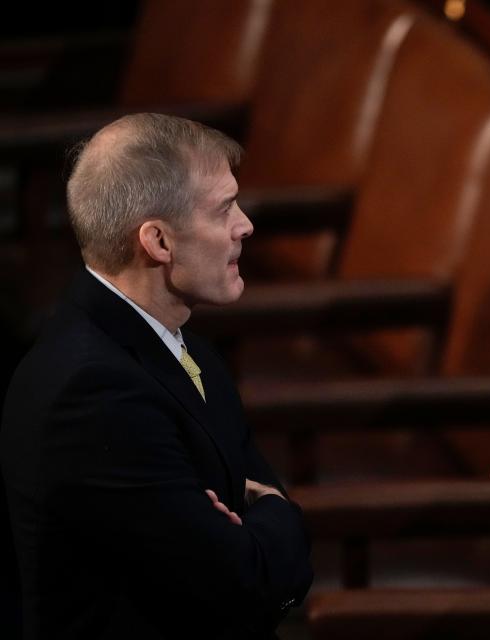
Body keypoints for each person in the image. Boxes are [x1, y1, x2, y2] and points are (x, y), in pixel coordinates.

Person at [1, 113, 313, 639]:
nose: (245, 225)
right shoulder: (95, 394)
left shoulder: (180, 343)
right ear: (159, 242)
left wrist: (260, 519)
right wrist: (278, 514)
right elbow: (243, 582)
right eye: (223, 209)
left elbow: (255, 539)